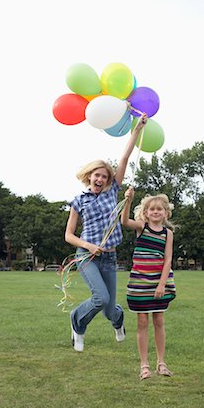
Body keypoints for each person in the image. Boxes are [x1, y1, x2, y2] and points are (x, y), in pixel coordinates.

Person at [65, 113, 148, 352]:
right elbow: (69, 236)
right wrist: (89, 246)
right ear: (89, 176)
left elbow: (124, 158)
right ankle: (77, 325)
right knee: (99, 298)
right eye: (97, 174)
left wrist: (137, 130)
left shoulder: (113, 193)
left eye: (104, 175)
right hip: (86, 256)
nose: (100, 178)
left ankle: (118, 321)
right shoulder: (79, 201)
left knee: (110, 309)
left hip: (110, 257)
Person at [121, 188, 176, 379]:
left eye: (159, 209)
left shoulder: (168, 233)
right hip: (139, 282)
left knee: (158, 320)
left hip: (158, 281)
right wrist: (128, 201)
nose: (155, 212)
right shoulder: (141, 227)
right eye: (151, 209)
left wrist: (162, 285)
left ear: (165, 213)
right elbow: (124, 221)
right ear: (146, 213)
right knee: (142, 322)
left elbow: (168, 260)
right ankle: (144, 365)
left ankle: (161, 363)